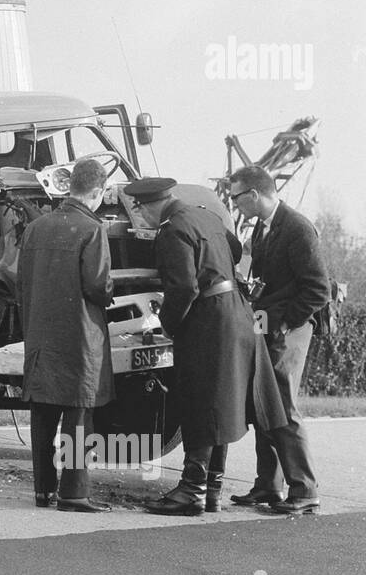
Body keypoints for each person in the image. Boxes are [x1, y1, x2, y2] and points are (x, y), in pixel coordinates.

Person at [125, 177, 286, 516]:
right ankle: (211, 489)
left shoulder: (172, 230)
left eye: (138, 210)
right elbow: (236, 250)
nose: (139, 217)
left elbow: (183, 288)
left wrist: (167, 326)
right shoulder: (206, 216)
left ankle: (190, 492)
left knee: (200, 402)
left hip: (209, 323)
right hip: (237, 315)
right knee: (222, 403)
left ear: (150, 205)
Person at [226, 165, 330, 514]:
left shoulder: (298, 228)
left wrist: (286, 323)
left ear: (254, 195)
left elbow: (319, 289)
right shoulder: (263, 227)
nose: (235, 204)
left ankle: (304, 491)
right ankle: (269, 487)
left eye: (237, 197)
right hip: (266, 323)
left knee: (282, 404)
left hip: (290, 327)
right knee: (261, 401)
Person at [16, 156, 114, 512]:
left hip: (41, 335)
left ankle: (43, 492)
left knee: (42, 414)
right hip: (80, 339)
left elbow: (20, 286)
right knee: (77, 417)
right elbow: (99, 287)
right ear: (98, 191)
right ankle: (74, 494)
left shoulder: (35, 228)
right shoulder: (92, 230)